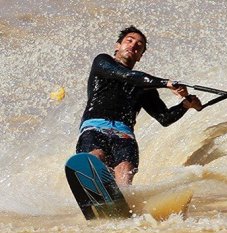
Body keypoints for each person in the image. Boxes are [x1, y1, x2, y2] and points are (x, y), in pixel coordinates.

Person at [76, 25, 202, 186]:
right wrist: (166, 83)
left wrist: (185, 105)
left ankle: (120, 200)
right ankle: (94, 180)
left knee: (125, 168)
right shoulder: (102, 62)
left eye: (139, 46)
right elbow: (127, 75)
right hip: (94, 127)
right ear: (117, 46)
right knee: (96, 156)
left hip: (124, 134)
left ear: (140, 57)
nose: (133, 45)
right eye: (129, 41)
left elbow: (164, 118)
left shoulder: (144, 87)